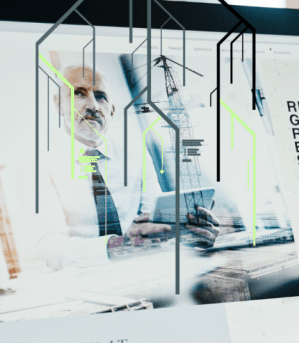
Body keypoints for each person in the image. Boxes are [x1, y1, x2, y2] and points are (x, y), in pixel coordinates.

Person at [37, 63, 219, 270]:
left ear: (112, 110)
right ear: (58, 104)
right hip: (81, 280)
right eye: (79, 93)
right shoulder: (40, 163)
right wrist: (120, 246)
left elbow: (154, 225)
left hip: (142, 270)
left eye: (101, 97)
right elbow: (50, 249)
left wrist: (189, 237)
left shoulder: (135, 153)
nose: (93, 106)